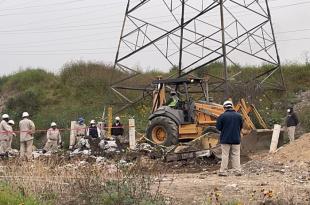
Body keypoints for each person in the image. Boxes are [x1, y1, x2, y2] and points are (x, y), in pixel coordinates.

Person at [216, 100, 243, 176]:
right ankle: (237, 171)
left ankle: (223, 171)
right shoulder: (239, 116)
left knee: (225, 155)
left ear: (224, 107)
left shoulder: (222, 116)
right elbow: (241, 127)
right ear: (232, 106)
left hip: (225, 139)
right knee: (236, 155)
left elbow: (218, 128)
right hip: (236, 139)